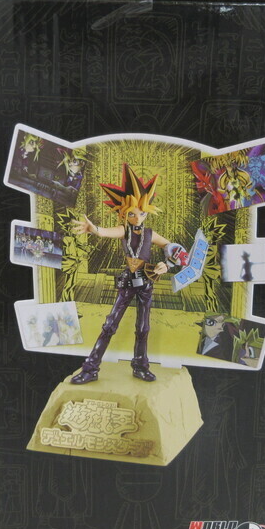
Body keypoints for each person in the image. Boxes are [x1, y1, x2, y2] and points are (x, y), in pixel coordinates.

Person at [70, 164, 183, 384]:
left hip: (147, 282)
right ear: (123, 213)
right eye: (132, 214)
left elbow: (175, 249)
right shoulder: (124, 230)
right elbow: (105, 232)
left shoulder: (150, 233)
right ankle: (90, 368)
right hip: (128, 282)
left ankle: (140, 366)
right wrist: (93, 229)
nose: (137, 217)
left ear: (147, 211)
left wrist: (168, 264)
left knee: (143, 327)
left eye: (141, 213)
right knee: (110, 324)